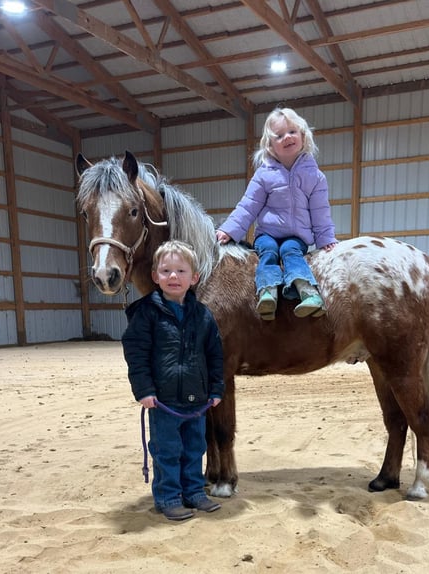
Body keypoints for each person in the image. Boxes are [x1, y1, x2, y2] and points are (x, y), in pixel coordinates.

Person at [121, 240, 224, 521]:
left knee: (194, 448)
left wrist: (216, 389)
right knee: (167, 451)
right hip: (163, 401)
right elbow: (137, 354)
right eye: (166, 271)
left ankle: (194, 493)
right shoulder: (145, 314)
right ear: (155, 277)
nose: (173, 277)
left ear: (195, 277)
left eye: (181, 270)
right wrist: (144, 390)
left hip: (197, 400)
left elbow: (215, 354)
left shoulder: (203, 315)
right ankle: (168, 497)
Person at [216, 107, 337, 321]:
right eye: (279, 136)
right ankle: (267, 292)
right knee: (268, 251)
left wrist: (325, 239)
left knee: (291, 252)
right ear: (271, 146)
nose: (286, 137)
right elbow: (248, 205)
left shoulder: (315, 176)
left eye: (292, 131)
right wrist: (229, 230)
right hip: (267, 233)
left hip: (296, 236)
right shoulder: (264, 175)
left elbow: (320, 211)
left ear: (303, 136)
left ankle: (308, 293)